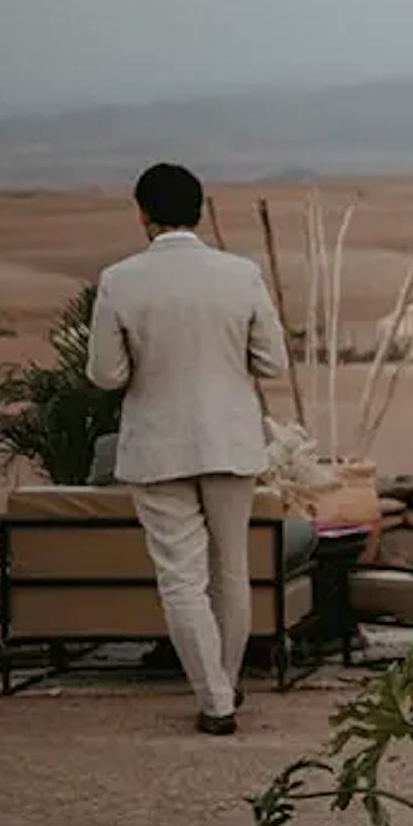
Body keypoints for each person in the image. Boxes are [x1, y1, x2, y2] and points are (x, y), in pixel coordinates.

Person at [84, 162, 289, 734]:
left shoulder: (120, 280)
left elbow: (105, 373)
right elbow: (272, 361)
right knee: (233, 569)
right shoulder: (240, 274)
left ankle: (214, 698)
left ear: (143, 214)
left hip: (157, 444)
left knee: (180, 577)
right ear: (199, 209)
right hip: (230, 437)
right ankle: (224, 686)